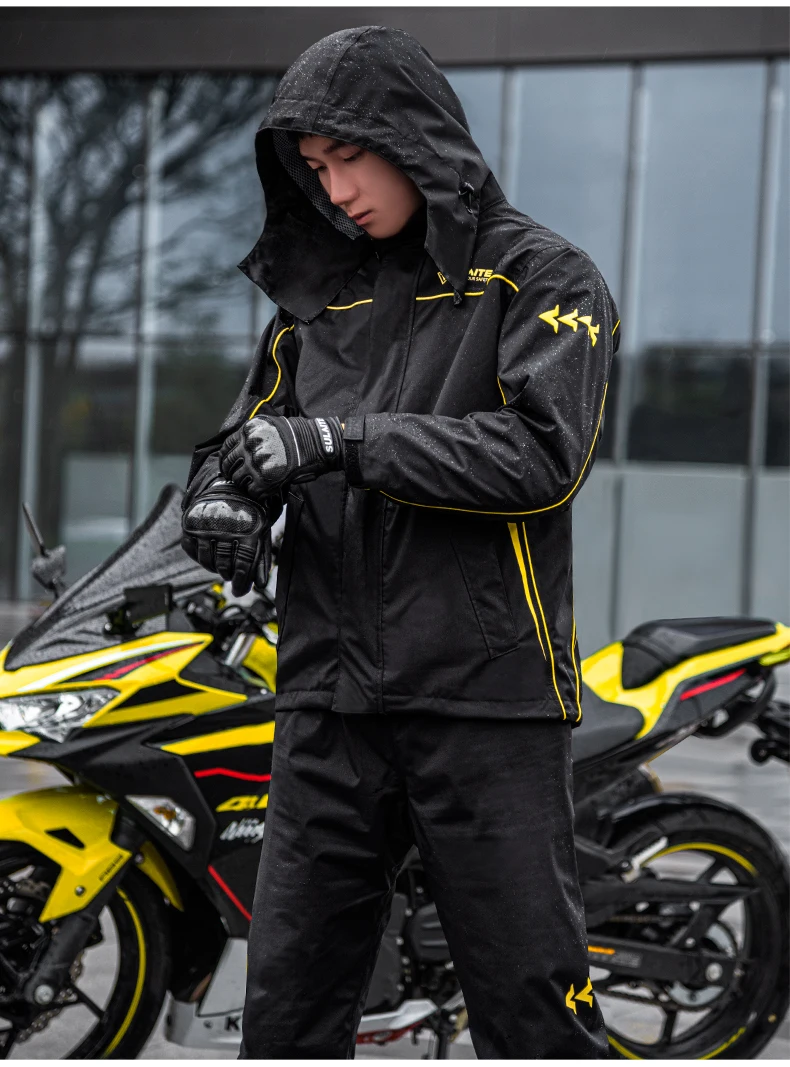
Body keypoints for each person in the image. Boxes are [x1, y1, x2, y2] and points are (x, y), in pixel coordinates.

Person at [180, 24, 619, 1059]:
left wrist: (344, 441)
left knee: (531, 1014)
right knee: (286, 1013)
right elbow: (246, 438)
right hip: (326, 700)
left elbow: (539, 455)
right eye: (315, 167)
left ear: (413, 138)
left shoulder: (541, 279)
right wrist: (223, 500)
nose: (335, 191)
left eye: (349, 158)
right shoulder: (318, 302)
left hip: (484, 701)